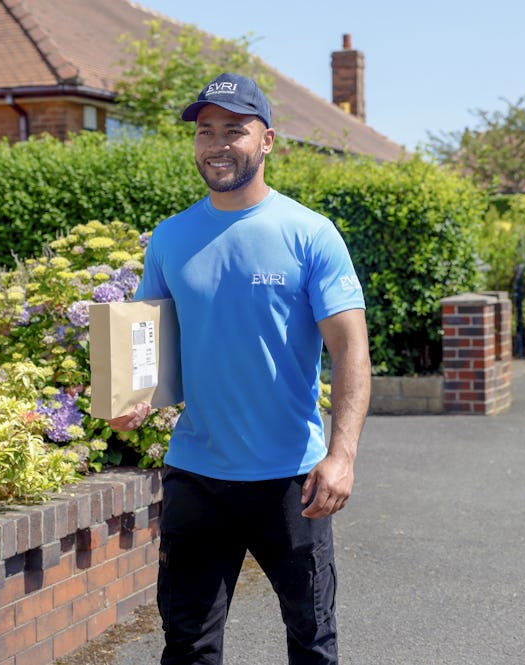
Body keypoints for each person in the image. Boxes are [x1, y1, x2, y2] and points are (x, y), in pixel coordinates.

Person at [108, 72, 371, 665]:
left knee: (313, 642)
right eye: (206, 131)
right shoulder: (171, 237)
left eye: (235, 129)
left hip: (292, 480)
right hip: (196, 474)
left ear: (268, 140)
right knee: (188, 645)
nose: (217, 143)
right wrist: (132, 392)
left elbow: (351, 347)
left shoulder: (310, 234)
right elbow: (146, 334)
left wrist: (343, 454)